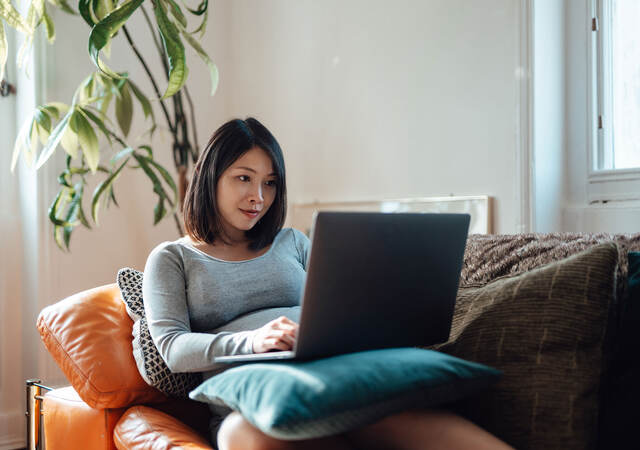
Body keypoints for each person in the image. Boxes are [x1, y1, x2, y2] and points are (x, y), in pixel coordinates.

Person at [143, 117, 513, 450]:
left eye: (270, 183)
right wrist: (253, 341)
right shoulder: (173, 258)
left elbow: (335, 311)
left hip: (331, 383)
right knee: (242, 436)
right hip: (255, 405)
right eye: (244, 178)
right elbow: (173, 348)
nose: (259, 197)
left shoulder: (293, 243)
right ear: (210, 176)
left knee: (399, 416)